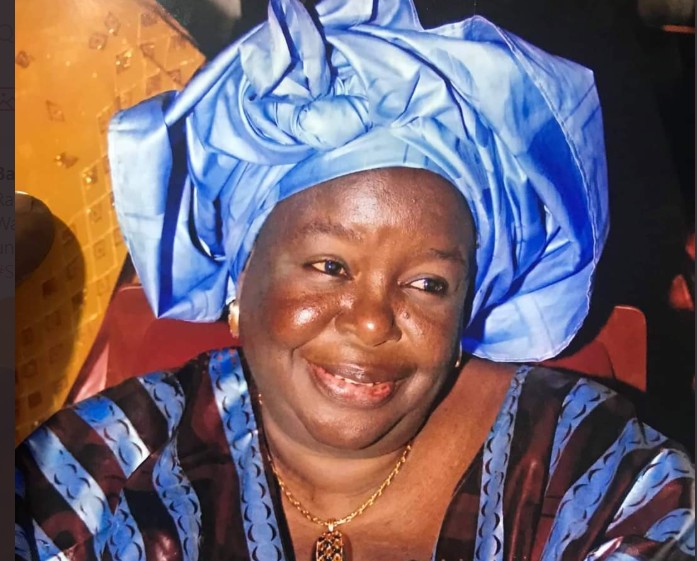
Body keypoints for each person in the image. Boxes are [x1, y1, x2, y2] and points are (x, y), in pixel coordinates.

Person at [15, 1, 694, 560]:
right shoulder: (103, 467)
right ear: (242, 276)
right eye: (329, 266)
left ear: (468, 305)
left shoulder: (592, 477)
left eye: (428, 283)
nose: (371, 320)